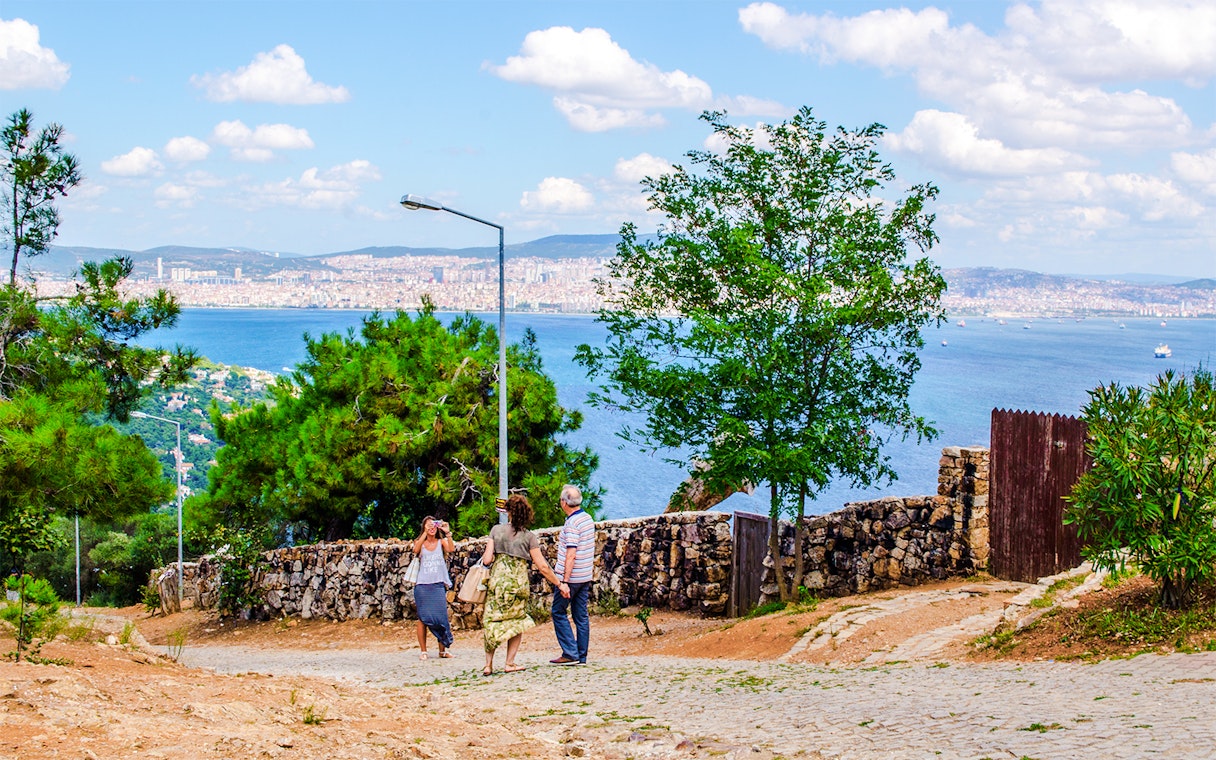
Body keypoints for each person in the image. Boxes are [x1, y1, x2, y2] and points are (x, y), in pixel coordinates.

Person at [478, 494, 567, 676]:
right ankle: (509, 663)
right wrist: (559, 583)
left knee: (492, 621)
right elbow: (542, 565)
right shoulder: (529, 537)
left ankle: (488, 665)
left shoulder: (496, 531)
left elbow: (487, 559)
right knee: (516, 622)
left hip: (498, 583)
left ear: (508, 511)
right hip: (518, 584)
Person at [550, 484, 595, 665]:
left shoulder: (572, 523)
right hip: (585, 575)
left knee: (558, 612)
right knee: (581, 615)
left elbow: (571, 553)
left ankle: (570, 653)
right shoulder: (587, 519)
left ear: (564, 502)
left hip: (571, 577)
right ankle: (581, 655)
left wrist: (564, 582)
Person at [412, 515, 455, 660]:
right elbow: (415, 550)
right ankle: (423, 650)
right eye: (428, 525)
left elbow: (451, 548)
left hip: (437, 584)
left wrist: (447, 532)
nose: (431, 528)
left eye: (433, 525)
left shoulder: (441, 542)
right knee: (423, 618)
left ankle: (442, 650)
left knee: (441, 618)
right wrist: (425, 532)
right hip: (423, 585)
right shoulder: (420, 543)